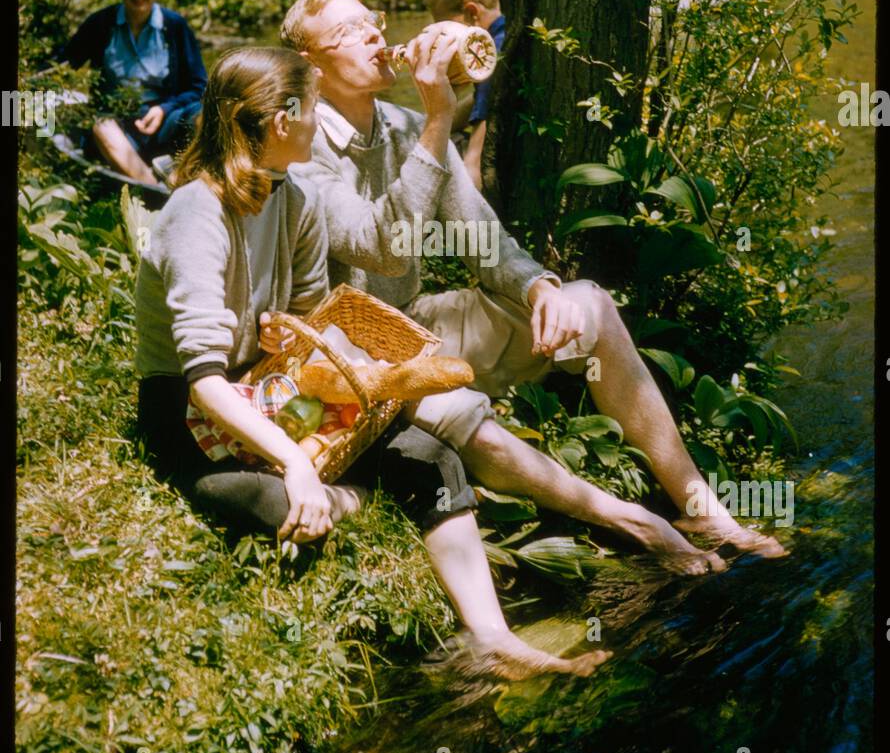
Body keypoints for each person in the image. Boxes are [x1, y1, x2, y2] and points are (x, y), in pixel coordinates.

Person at [134, 45, 605, 679]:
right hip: (194, 408)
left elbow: (307, 319)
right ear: (282, 121)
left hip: (269, 386)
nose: (318, 118)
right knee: (289, 507)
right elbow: (203, 381)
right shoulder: (197, 210)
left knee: (433, 457)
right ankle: (339, 495)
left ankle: (494, 639)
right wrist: (297, 463)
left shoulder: (292, 194)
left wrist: (284, 334)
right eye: (311, 105)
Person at [280, 0, 787, 566]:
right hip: (348, 362)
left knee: (588, 301)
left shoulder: (402, 126)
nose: (373, 33)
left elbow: (482, 238)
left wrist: (538, 287)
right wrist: (440, 118)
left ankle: (703, 509)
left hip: (414, 326)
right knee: (467, 418)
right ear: (307, 64)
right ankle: (630, 520)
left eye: (372, 19)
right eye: (347, 30)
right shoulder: (299, 144)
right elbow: (383, 249)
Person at [57, 0, 207, 187]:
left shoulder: (175, 26)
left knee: (205, 116)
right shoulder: (101, 24)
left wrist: (164, 109)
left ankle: (186, 177)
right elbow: (62, 65)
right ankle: (155, 191)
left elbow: (199, 87)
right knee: (101, 126)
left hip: (166, 121)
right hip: (118, 125)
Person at [427, 0, 504, 190]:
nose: (441, 37)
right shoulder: (503, 33)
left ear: (472, 14)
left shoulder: (491, 58)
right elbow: (475, 105)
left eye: (445, 27)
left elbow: (474, 162)